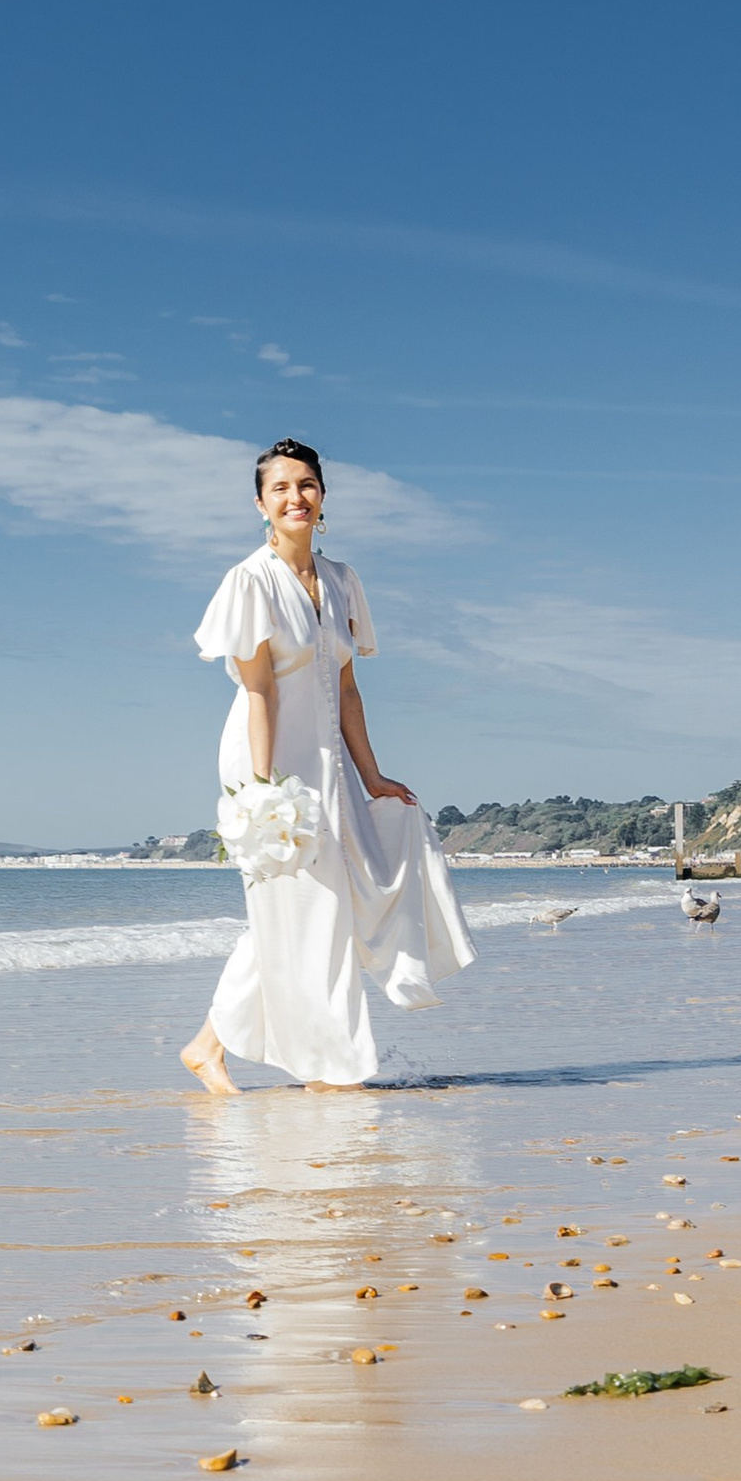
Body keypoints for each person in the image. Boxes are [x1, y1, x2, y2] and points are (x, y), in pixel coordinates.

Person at [180, 439, 473, 1093]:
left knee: (315, 908)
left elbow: (345, 692)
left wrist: (372, 776)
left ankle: (208, 1046)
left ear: (323, 497)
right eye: (280, 487)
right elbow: (260, 692)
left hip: (329, 761)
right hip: (269, 760)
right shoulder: (250, 582)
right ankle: (333, 1068)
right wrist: (260, 792)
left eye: (306, 484)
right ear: (260, 503)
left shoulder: (342, 581)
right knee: (303, 908)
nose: (295, 497)